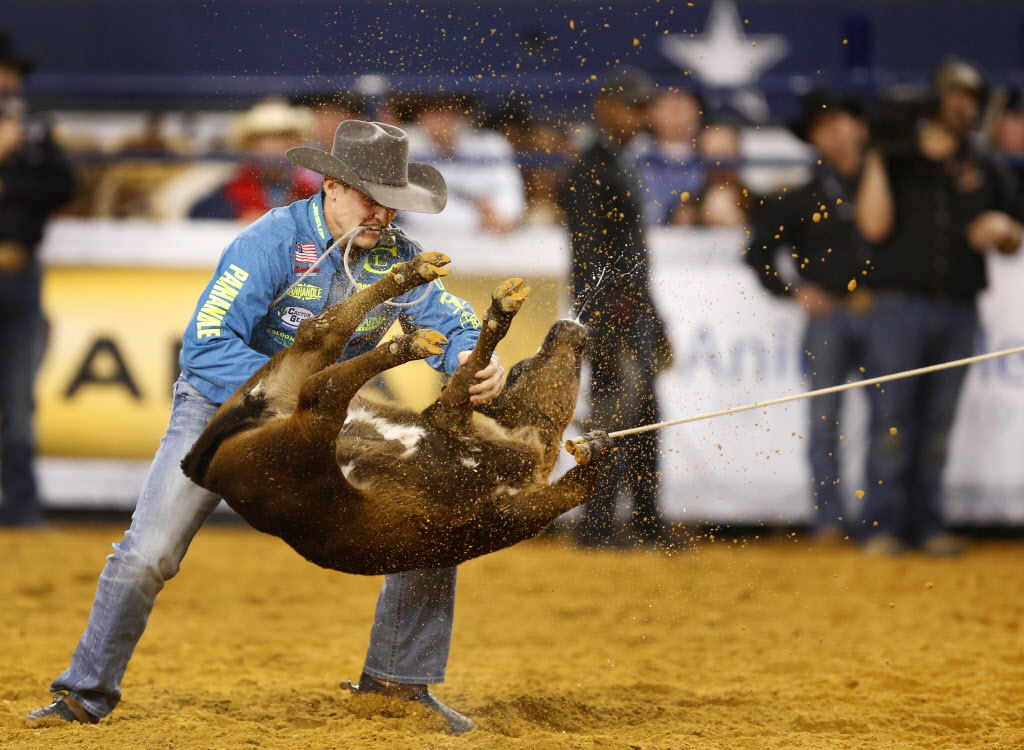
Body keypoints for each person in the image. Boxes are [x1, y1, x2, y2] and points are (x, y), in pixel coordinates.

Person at [26, 119, 505, 734]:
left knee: (428, 516)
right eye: (370, 198)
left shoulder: (397, 257)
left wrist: (470, 359)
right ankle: (82, 693)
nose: (383, 214)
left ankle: (397, 684)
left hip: (317, 420)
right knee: (149, 554)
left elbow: (453, 319)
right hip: (223, 412)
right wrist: (302, 395)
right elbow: (206, 348)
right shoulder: (271, 242)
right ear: (331, 187)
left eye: (393, 202)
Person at [856, 58, 1024, 556]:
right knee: (892, 418)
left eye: (972, 97)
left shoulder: (984, 161)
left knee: (938, 426)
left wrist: (1003, 229)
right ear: (936, 99)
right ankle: (883, 525)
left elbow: (1013, 232)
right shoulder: (897, 155)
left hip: (958, 307)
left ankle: (926, 523)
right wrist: (877, 158)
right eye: (957, 95)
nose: (965, 105)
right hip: (898, 307)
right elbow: (873, 227)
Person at [745, 91, 873, 542]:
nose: (834, 134)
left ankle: (878, 518)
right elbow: (757, 253)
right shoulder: (802, 197)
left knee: (888, 414)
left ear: (858, 126)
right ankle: (832, 520)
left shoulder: (880, 186)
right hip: (834, 313)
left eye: (839, 121)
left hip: (883, 312)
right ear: (814, 139)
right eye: (823, 127)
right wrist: (793, 290)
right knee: (827, 420)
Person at [557, 67, 674, 547]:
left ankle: (635, 519)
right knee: (614, 417)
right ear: (606, 107)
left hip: (624, 309)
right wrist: (613, 312)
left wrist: (651, 318)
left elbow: (616, 255)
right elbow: (590, 255)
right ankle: (600, 523)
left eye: (645, 106)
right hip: (612, 312)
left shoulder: (609, 163)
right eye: (633, 106)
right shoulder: (592, 168)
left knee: (638, 413)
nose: (641, 116)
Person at [0, 32, 75, 527]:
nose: (11, 82)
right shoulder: (25, 136)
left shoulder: (32, 132)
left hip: (18, 271)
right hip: (19, 273)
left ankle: (23, 509)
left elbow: (64, 186)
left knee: (17, 402)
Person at [395, 92, 527, 234]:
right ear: (419, 114)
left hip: (499, 232)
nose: (443, 118)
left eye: (450, 110)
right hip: (437, 237)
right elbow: (415, 209)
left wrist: (503, 216)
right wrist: (476, 219)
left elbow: (510, 190)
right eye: (434, 110)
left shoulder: (490, 143)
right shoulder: (407, 147)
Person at [189, 98, 320, 222]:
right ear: (250, 146)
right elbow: (199, 217)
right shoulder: (227, 195)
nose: (274, 146)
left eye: (283, 138)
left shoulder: (309, 192)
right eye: (265, 139)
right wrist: (236, 217)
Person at [632, 86, 705, 226]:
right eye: (667, 103)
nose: (675, 108)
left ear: (698, 111)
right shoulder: (635, 159)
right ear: (651, 113)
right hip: (648, 236)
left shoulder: (712, 160)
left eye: (684, 101)